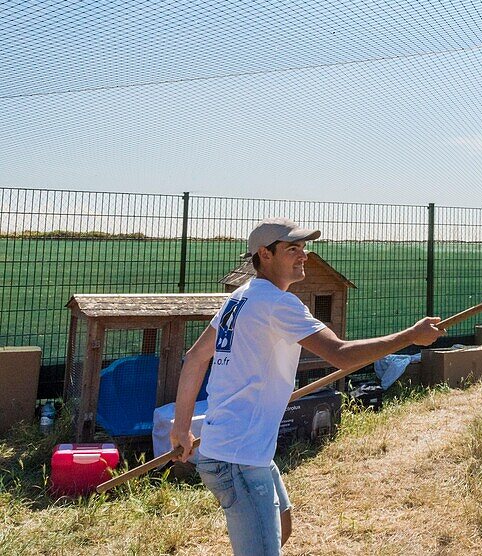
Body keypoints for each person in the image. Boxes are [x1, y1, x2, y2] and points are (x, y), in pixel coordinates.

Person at [170, 218, 443, 555]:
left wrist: (181, 429)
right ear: (264, 255)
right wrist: (410, 336)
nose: (304, 256)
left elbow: (195, 358)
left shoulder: (240, 298)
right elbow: (340, 355)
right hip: (239, 456)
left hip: (234, 447)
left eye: (304, 248)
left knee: (281, 526)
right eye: (292, 249)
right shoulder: (277, 303)